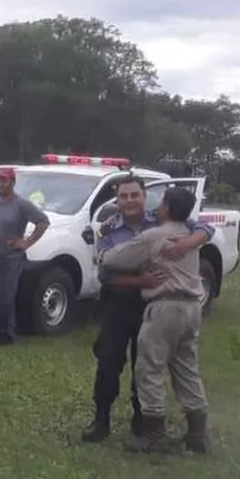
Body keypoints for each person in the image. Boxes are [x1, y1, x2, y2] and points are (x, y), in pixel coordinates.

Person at [81, 177, 214, 443]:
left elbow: (204, 228)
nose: (129, 201)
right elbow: (105, 272)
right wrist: (138, 280)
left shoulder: (162, 222)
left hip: (153, 305)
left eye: (135, 195)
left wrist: (187, 243)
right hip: (118, 303)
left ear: (145, 197)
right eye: (123, 197)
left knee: (146, 365)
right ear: (116, 201)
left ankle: (145, 425)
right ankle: (101, 420)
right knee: (109, 363)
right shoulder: (108, 229)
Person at [0, 167, 49, 345]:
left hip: (10, 258)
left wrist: (25, 242)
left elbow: (42, 222)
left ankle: (6, 334)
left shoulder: (21, 205)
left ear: (12, 183)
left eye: (4, 181)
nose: (0, 184)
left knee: (5, 296)